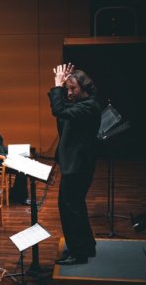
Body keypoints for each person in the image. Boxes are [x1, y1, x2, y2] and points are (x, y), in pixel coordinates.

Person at [49, 63, 101, 265]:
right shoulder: (83, 104)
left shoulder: (88, 106)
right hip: (76, 164)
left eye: (73, 89)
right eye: (68, 89)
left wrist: (57, 85)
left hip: (78, 165)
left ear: (85, 88)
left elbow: (58, 110)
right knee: (75, 206)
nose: (69, 93)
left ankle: (79, 253)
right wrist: (61, 88)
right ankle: (86, 246)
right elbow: (61, 112)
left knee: (70, 207)